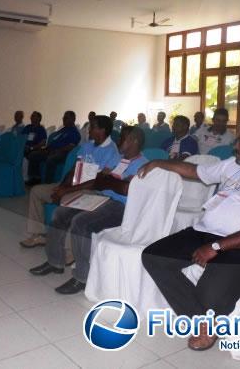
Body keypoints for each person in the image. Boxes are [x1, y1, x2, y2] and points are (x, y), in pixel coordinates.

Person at [140, 120, 240, 351]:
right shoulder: (233, 165)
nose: (235, 145)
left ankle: (206, 317)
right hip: (205, 232)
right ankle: (203, 321)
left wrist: (216, 247)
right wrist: (158, 163)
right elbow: (195, 171)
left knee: (209, 296)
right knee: (154, 257)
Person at [30, 126, 147, 294]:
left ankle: (82, 277)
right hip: (101, 197)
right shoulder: (119, 159)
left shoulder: (143, 165)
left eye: (123, 138)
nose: (119, 140)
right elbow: (98, 180)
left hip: (121, 207)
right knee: (61, 212)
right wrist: (111, 181)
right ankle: (55, 262)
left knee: (81, 223)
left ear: (134, 141)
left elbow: (125, 190)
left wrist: (108, 181)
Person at [20, 115, 120, 248]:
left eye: (92, 127)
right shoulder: (87, 146)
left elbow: (96, 182)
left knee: (68, 199)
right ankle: (38, 234)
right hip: (75, 184)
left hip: (92, 191)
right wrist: (61, 187)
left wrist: (65, 191)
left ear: (102, 130)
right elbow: (74, 169)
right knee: (36, 191)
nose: (88, 130)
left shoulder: (112, 151)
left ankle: (67, 248)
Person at [25, 111, 81, 185]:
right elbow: (54, 140)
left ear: (73, 119)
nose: (63, 119)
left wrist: (57, 150)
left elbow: (70, 147)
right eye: (63, 117)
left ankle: (48, 183)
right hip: (51, 150)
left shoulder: (74, 132)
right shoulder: (63, 130)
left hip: (63, 153)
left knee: (51, 159)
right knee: (33, 155)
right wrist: (46, 148)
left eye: (66, 118)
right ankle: (35, 178)